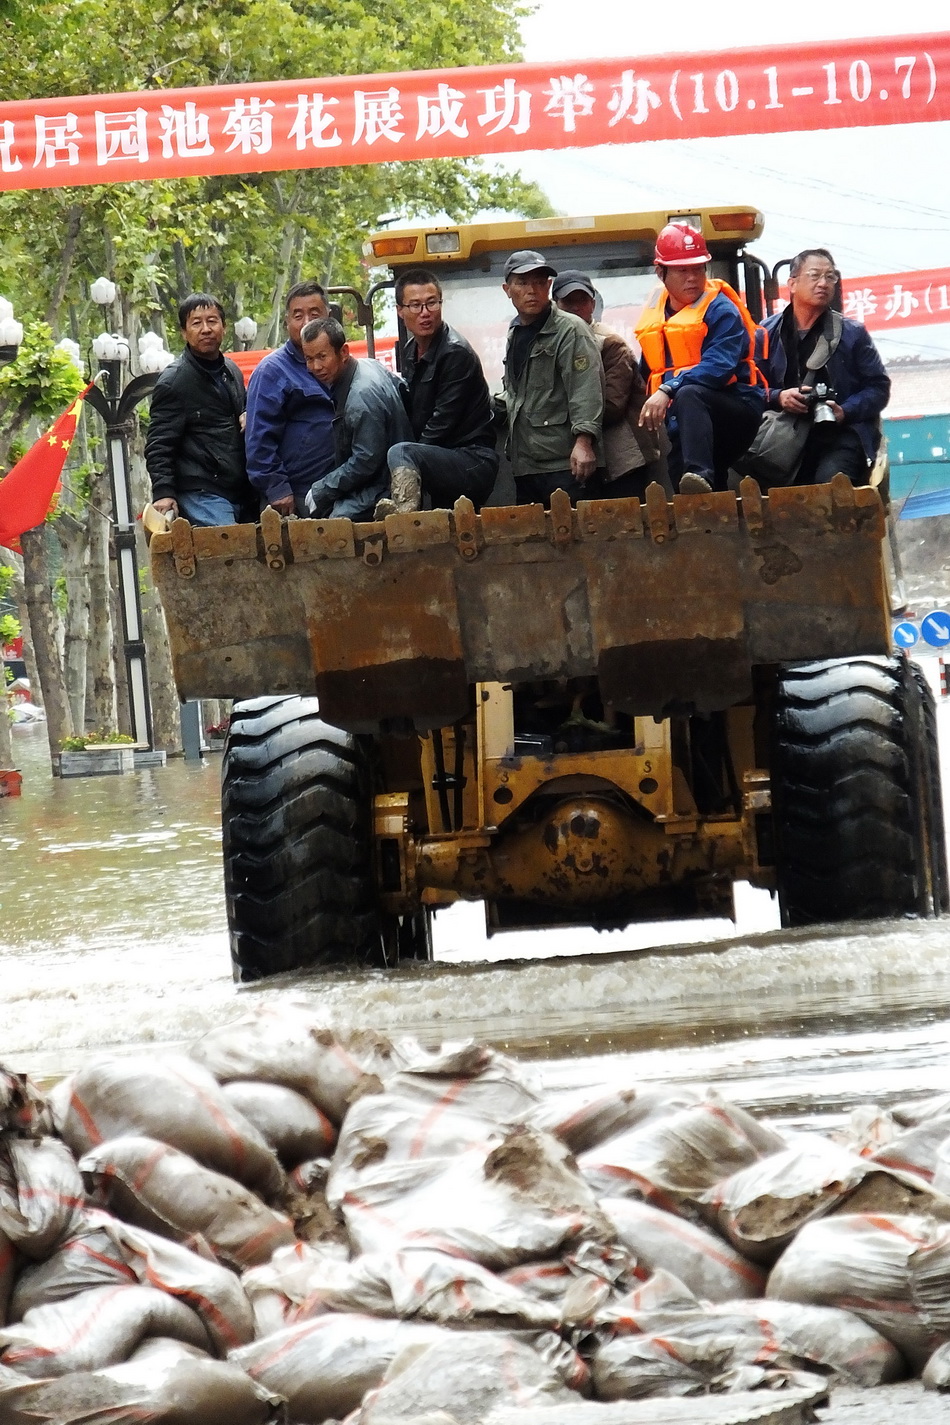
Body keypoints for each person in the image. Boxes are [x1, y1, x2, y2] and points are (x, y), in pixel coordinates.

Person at [635, 223, 765, 494]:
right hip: (688, 422)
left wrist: (667, 389)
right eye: (683, 270)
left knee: (690, 393)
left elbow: (718, 367)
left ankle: (699, 473)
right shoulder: (655, 313)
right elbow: (649, 368)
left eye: (697, 269)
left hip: (736, 409)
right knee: (681, 481)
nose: (692, 278)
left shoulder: (721, 309)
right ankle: (702, 494)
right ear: (661, 272)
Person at [757, 247, 890, 485]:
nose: (824, 283)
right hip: (782, 437)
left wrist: (845, 411)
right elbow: (748, 387)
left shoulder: (852, 333)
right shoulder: (765, 333)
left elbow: (878, 388)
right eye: (815, 275)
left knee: (831, 488)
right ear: (793, 283)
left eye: (830, 277)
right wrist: (778, 397)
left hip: (840, 435)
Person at [374, 268, 499, 518]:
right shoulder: (410, 350)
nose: (425, 313)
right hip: (443, 457)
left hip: (472, 460)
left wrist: (413, 456)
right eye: (416, 305)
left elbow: (442, 422)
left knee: (401, 452)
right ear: (400, 310)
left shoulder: (454, 352)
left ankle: (404, 516)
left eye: (432, 303)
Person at [552, 268, 667, 498]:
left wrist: (550, 416)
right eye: (568, 301)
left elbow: (612, 406)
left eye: (582, 300)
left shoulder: (612, 345)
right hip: (582, 459)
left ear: (592, 305)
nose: (576, 307)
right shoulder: (551, 343)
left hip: (623, 459)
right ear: (555, 305)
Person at [501, 249, 604, 506]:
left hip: (566, 464)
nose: (532, 290)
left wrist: (584, 442)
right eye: (522, 283)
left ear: (548, 286)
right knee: (533, 543)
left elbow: (586, 388)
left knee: (575, 542)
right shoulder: (516, 333)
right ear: (507, 289)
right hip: (527, 466)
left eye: (539, 282)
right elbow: (517, 394)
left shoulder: (570, 330)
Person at [146, 293, 251, 526]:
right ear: (184, 332)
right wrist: (163, 491)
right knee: (229, 552)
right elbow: (159, 444)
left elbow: (243, 414)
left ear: (224, 327)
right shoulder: (175, 381)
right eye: (196, 323)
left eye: (212, 321)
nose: (206, 329)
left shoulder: (231, 371)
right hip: (201, 491)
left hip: (240, 488)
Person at [300, 317, 412, 520]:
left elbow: (366, 461)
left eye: (322, 357)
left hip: (385, 485)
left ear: (343, 352)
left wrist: (322, 489)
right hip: (385, 472)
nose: (315, 367)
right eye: (309, 358)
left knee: (336, 528)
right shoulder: (368, 365)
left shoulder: (360, 397)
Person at [244, 280, 336, 516]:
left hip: (336, 488)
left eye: (314, 314)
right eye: (298, 315)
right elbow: (259, 441)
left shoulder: (339, 363)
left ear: (329, 316)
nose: (307, 323)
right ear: (287, 322)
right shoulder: (272, 371)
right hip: (295, 496)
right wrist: (277, 488)